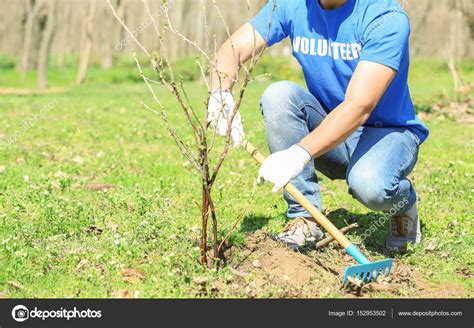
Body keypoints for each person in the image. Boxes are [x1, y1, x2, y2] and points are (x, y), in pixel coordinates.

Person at [207, 0, 429, 252]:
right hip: (331, 127)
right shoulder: (293, 4)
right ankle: (304, 217)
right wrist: (219, 94)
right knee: (278, 95)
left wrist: (299, 152)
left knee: (370, 186)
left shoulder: (384, 16)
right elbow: (232, 49)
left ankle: (403, 201)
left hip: (387, 132)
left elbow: (359, 106)